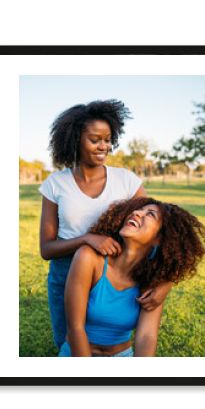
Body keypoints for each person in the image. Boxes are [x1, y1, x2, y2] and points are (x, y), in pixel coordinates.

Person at [39, 99, 172, 351]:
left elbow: (162, 232)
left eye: (108, 139)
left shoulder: (126, 181)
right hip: (66, 272)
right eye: (95, 139)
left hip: (113, 271)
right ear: (75, 139)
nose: (104, 146)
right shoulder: (55, 184)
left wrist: (165, 283)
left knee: (111, 336)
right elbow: (46, 249)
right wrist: (87, 239)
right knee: (70, 341)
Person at [60, 197, 205, 357]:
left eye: (150, 214)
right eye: (138, 210)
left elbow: (147, 336)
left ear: (159, 239)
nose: (136, 213)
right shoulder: (88, 257)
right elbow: (75, 328)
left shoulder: (155, 279)